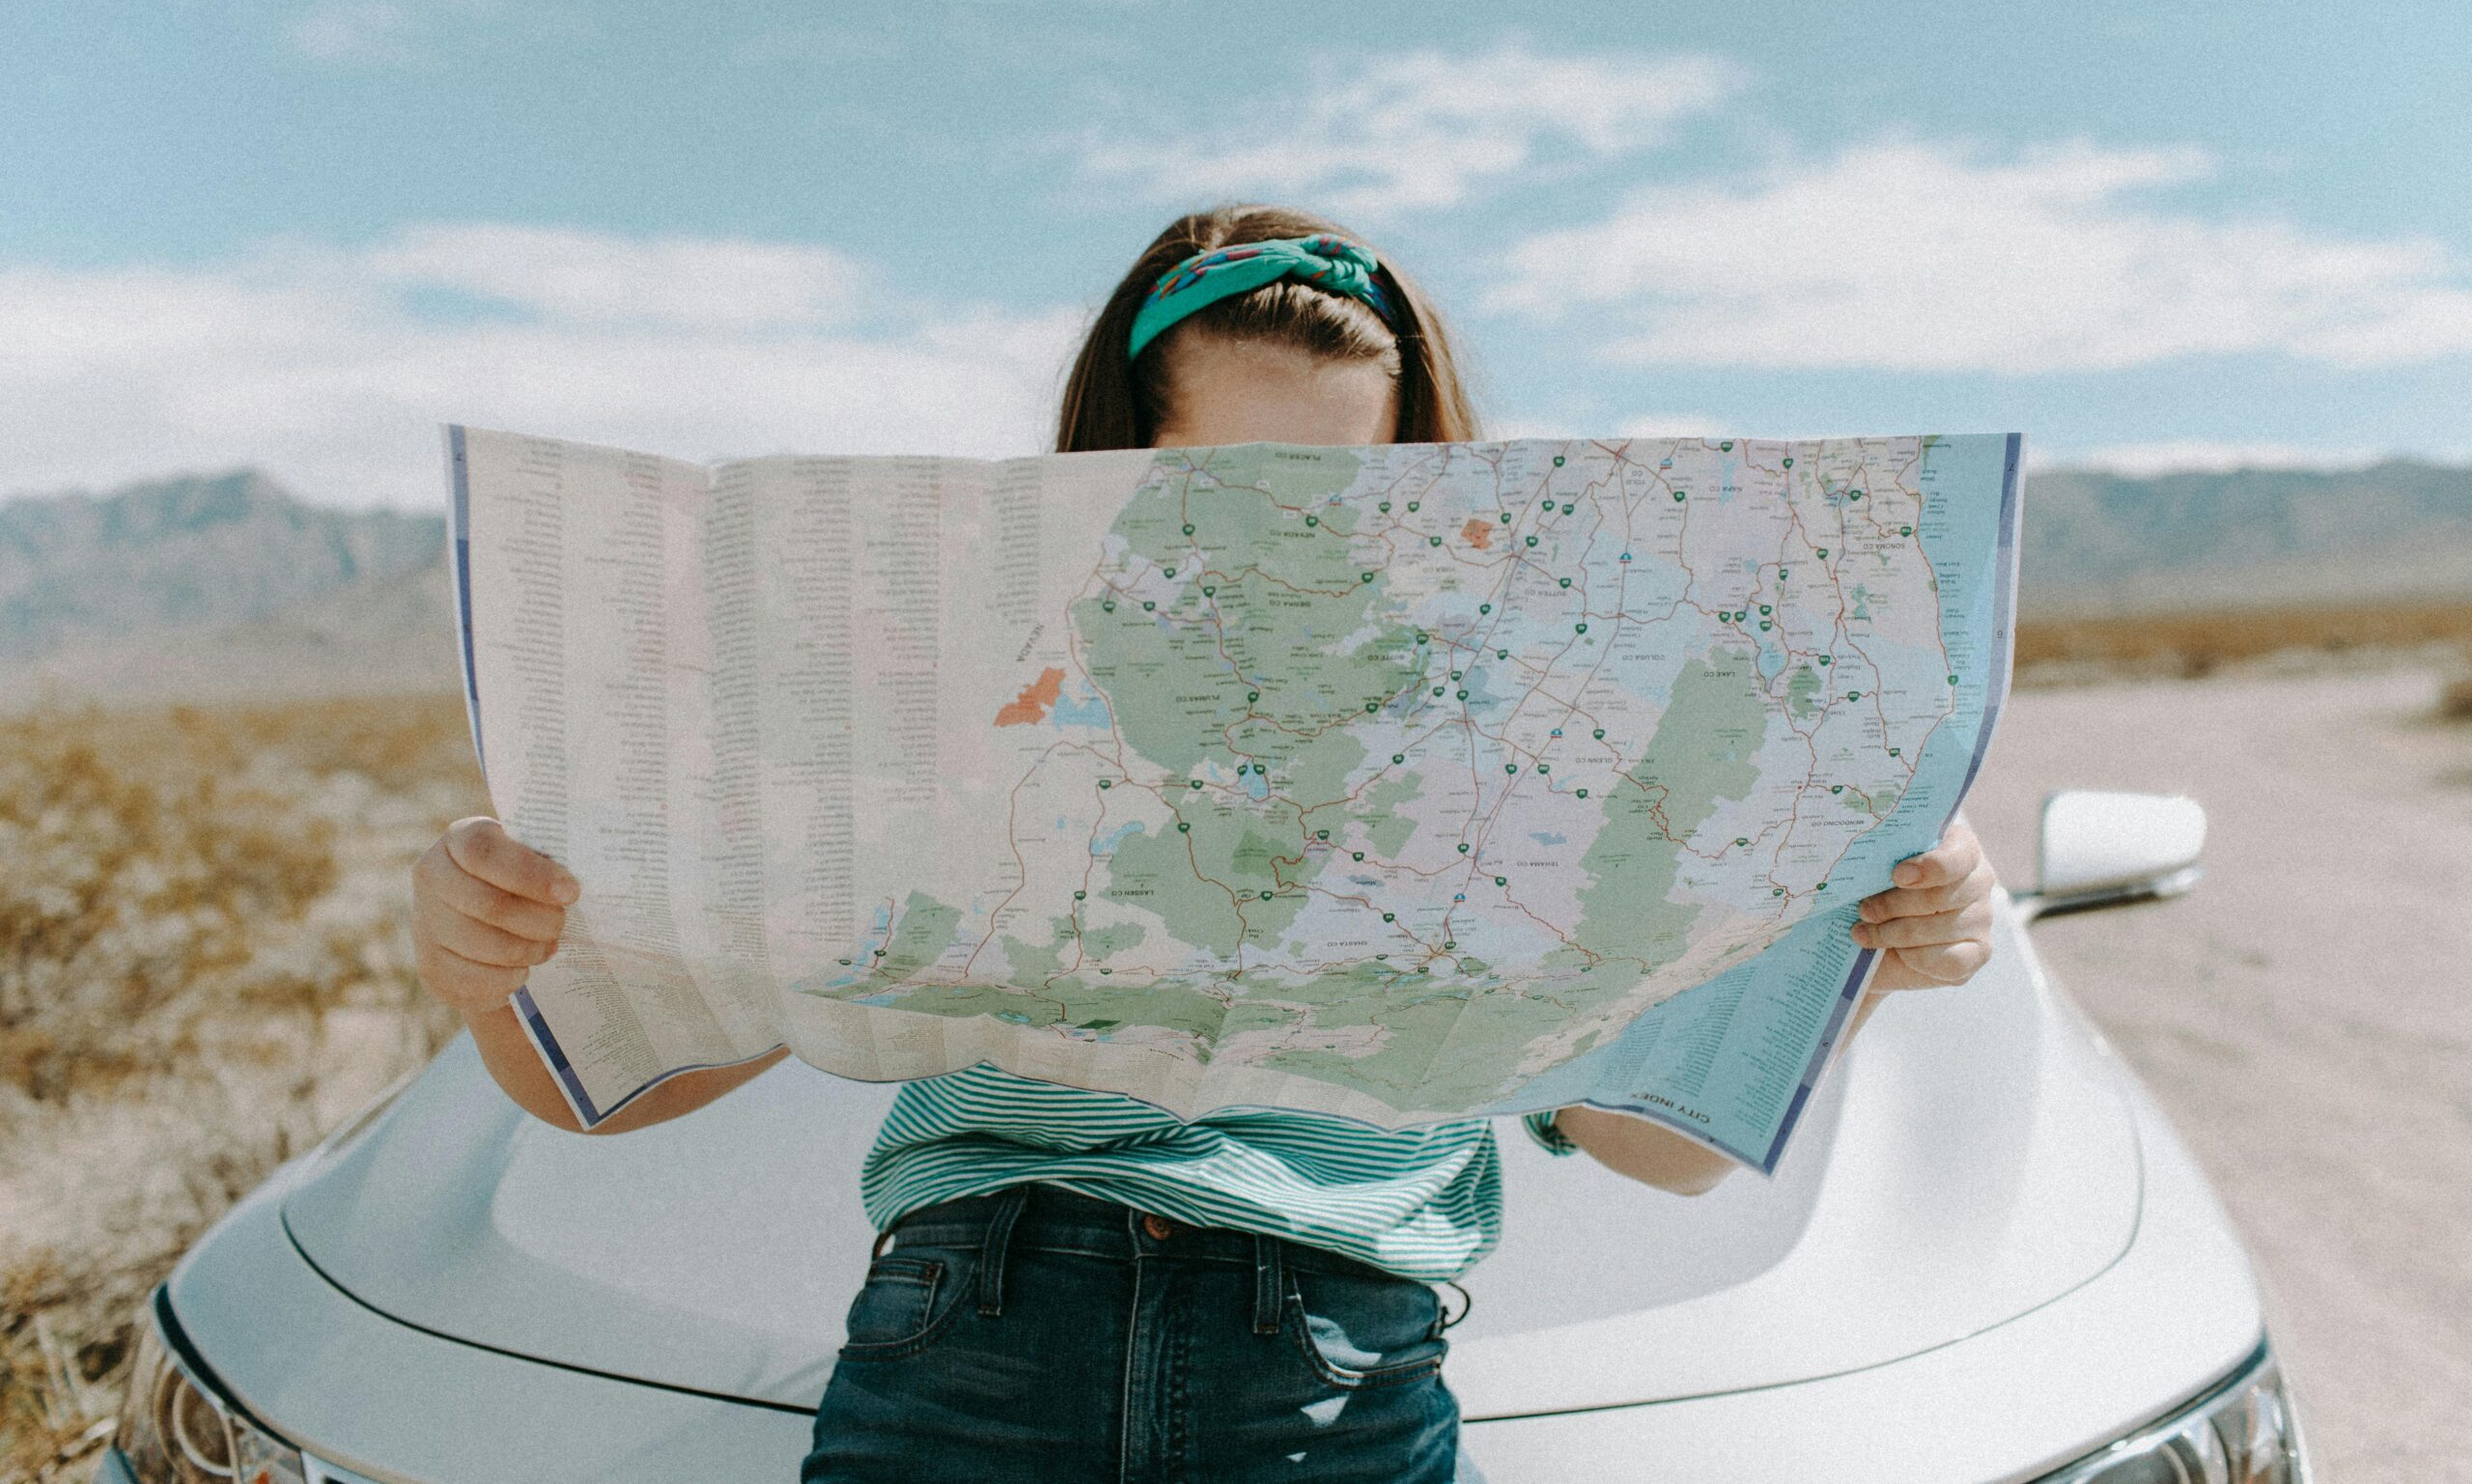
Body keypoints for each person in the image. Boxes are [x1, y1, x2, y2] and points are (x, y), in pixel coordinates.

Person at [408, 205, 2002, 1484]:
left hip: (1334, 1377)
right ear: (1113, 471)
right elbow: (604, 1090)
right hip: (969, 1337)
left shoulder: (1532, 732)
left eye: (1339, 493)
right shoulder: (961, 691)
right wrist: (495, 964)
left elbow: (1666, 1149)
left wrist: (1856, 953)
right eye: (1222, 487)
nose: (1277, 540)